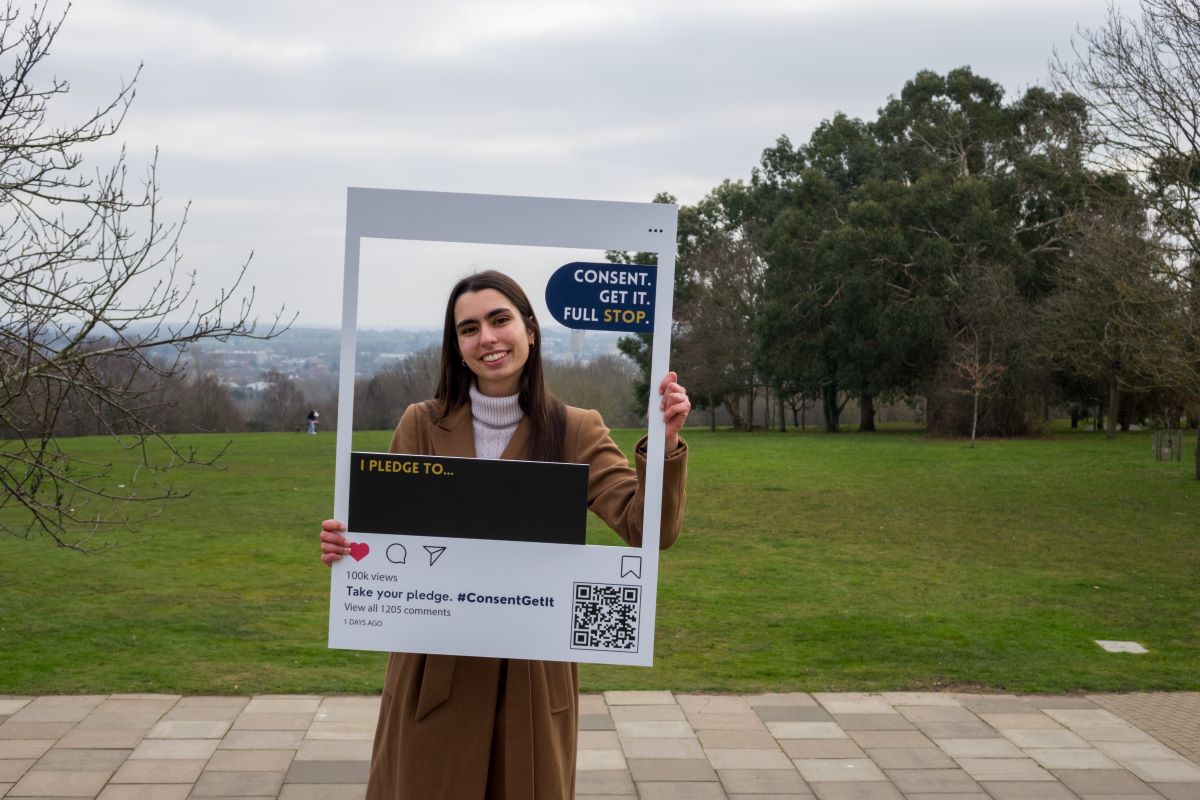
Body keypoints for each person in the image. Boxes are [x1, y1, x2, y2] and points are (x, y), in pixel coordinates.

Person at [319, 270, 690, 799]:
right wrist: (347, 546)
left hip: (531, 676)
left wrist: (664, 443)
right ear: (456, 346)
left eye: (499, 320)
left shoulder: (575, 428)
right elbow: (382, 543)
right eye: (469, 329)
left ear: (530, 330)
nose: (487, 338)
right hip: (435, 672)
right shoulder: (421, 423)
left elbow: (648, 530)